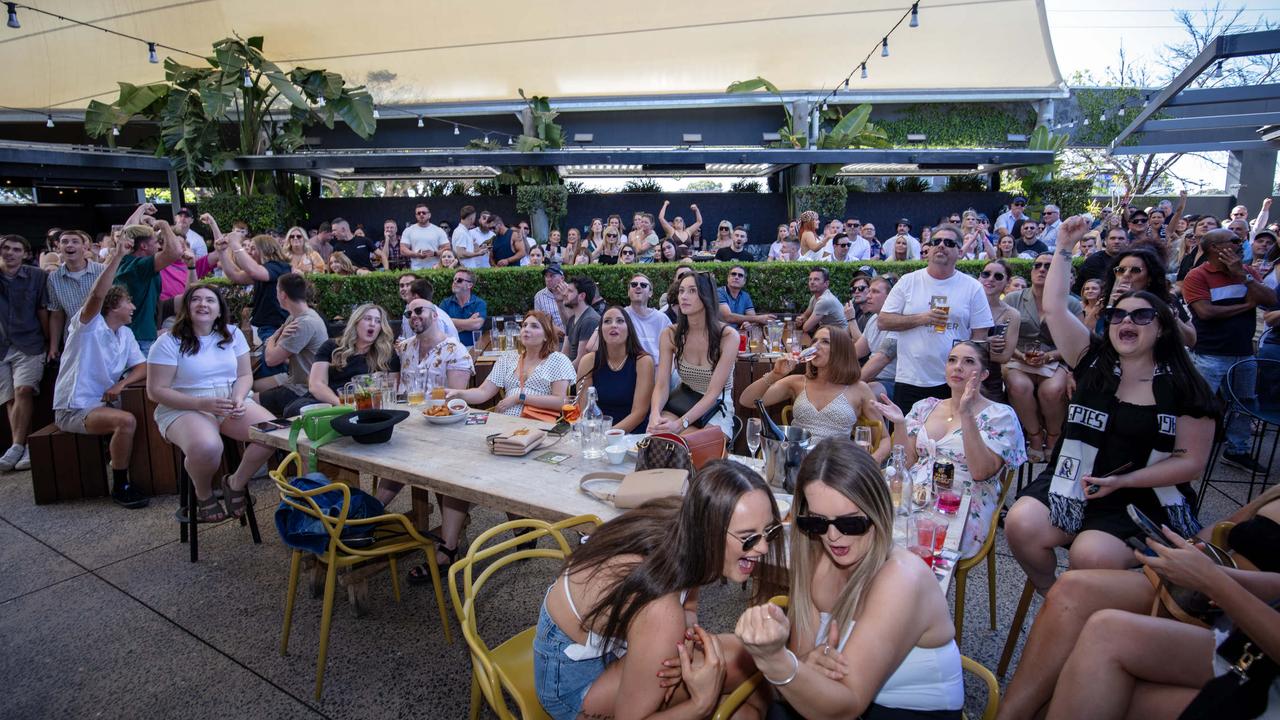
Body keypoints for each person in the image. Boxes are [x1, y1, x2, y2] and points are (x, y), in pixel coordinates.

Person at [1005, 216, 1220, 593]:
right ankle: (1053, 596)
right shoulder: (1091, 360)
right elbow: (1055, 309)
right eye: (1119, 314)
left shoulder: (1186, 386)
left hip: (1141, 494)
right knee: (1020, 524)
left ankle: (1090, 607)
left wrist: (1122, 480)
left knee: (1091, 555)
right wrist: (1063, 247)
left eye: (1141, 316)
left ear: (1162, 327)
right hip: (1074, 478)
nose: (1127, 321)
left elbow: (1191, 462)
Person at [997, 487, 1280, 719]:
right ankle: (1009, 714)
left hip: (1246, 636)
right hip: (1218, 595)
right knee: (1073, 587)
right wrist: (1192, 556)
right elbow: (1225, 530)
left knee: (1092, 667)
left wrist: (1214, 581)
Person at [734, 439, 964, 719]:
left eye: (850, 523)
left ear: (878, 512)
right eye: (817, 522)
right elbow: (803, 660)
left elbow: (847, 705)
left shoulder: (902, 578)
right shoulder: (816, 558)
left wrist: (774, 660)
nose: (832, 536)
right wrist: (806, 663)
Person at [536, 462, 782, 720]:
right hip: (571, 683)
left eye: (770, 531)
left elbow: (688, 607)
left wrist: (681, 645)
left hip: (610, 642)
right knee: (744, 695)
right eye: (749, 537)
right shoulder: (661, 611)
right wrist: (701, 702)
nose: (764, 548)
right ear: (709, 533)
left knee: (752, 668)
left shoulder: (688, 526)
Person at [1042, 529, 1280, 720]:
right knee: (1103, 629)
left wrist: (1213, 581)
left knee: (1098, 691)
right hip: (1248, 646)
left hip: (1260, 671)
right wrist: (1213, 573)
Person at [874, 342, 1027, 558]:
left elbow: (980, 472)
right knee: (868, 527)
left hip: (963, 502)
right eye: (952, 360)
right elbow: (907, 462)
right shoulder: (925, 406)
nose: (957, 367)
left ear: (983, 374)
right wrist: (900, 424)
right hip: (915, 496)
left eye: (968, 361)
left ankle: (917, 587)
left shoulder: (1000, 416)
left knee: (914, 544)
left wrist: (966, 414)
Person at [145, 284, 278, 522]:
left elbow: (245, 376)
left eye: (210, 300)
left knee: (272, 434)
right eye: (196, 299)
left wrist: (238, 397)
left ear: (219, 310)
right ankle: (203, 494)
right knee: (208, 447)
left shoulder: (233, 334)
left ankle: (235, 483)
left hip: (229, 400)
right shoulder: (168, 342)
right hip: (184, 406)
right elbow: (156, 391)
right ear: (186, 307)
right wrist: (202, 404)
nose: (203, 304)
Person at [51, 233, 148, 507]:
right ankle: (121, 485)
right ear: (113, 306)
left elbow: (142, 366)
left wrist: (121, 385)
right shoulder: (88, 326)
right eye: (128, 302)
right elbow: (97, 293)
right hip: (74, 408)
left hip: (103, 402)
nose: (134, 307)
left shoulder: (125, 334)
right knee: (126, 420)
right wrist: (117, 255)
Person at [1182, 228, 1277, 473]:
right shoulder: (1197, 276)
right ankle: (1186, 450)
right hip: (1209, 353)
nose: (1240, 244)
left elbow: (1270, 301)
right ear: (1215, 247)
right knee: (1200, 403)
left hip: (1243, 352)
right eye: (1234, 241)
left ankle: (1237, 450)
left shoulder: (1247, 273)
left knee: (1244, 402)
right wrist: (1247, 305)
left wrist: (1243, 278)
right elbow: (1205, 313)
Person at [878, 224, 994, 411]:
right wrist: (923, 318)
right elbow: (883, 321)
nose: (941, 245)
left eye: (949, 243)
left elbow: (979, 339)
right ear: (928, 249)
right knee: (906, 438)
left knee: (951, 438)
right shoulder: (908, 281)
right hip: (910, 379)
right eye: (936, 242)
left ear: (959, 251)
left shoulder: (972, 287)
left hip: (954, 381)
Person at [740, 326, 889, 459]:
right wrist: (775, 374)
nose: (816, 346)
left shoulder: (859, 389)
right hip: (796, 460)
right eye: (814, 341)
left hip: (835, 466)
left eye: (825, 342)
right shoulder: (797, 382)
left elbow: (884, 439)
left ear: (841, 350)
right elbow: (746, 401)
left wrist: (872, 463)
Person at [1003, 253, 1083, 460]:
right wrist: (1020, 355)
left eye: (1048, 266)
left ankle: (1054, 436)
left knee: (1053, 390)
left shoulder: (1072, 303)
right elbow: (1003, 336)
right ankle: (1035, 435)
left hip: (1057, 358)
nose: (1041, 269)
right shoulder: (1013, 299)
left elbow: (1079, 342)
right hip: (1018, 357)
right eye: (1037, 265)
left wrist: (1050, 356)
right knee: (1019, 386)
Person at [649, 272, 738, 439]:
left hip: (717, 405)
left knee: (688, 445)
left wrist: (680, 424)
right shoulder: (670, 334)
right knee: (659, 439)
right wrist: (654, 414)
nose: (683, 296)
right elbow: (661, 384)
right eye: (681, 291)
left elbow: (712, 393)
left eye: (692, 291)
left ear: (706, 297)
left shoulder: (728, 336)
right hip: (683, 399)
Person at [447, 310, 574, 417]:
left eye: (534, 326)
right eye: (524, 325)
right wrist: (458, 393)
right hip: (505, 423)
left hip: (538, 424)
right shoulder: (508, 358)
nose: (526, 329)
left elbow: (561, 401)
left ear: (546, 336)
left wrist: (520, 397)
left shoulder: (558, 360)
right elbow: (483, 392)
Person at [291, 303, 400, 418]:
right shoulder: (332, 346)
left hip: (365, 407)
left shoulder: (387, 354)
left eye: (378, 321)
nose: (373, 324)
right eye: (367, 319)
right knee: (298, 409)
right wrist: (342, 406)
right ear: (356, 322)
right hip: (327, 402)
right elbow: (316, 385)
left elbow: (390, 391)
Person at [0, 236, 46, 473]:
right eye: (6, 248)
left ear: (25, 254)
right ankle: (22, 445)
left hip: (29, 341)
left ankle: (17, 445)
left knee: (23, 390)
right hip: (1, 346)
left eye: (16, 249)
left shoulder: (36, 276)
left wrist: (51, 343)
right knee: (10, 397)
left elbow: (43, 310)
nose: (10, 253)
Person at [256, 273, 330, 417]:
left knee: (248, 401)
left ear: (283, 295)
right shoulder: (298, 316)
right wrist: (277, 338)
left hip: (302, 389)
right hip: (295, 378)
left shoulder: (303, 323)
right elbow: (282, 353)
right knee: (253, 385)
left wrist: (273, 338)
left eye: (276, 291)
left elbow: (271, 359)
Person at [576, 307, 655, 432]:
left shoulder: (643, 361)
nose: (613, 325)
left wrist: (609, 434)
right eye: (607, 321)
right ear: (600, 331)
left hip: (632, 435)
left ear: (629, 329)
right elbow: (584, 409)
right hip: (596, 432)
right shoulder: (588, 361)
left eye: (620, 321)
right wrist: (597, 433)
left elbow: (639, 413)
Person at [1098, 248, 1196, 345]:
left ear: (1150, 277)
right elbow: (1093, 335)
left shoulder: (1166, 300)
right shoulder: (1107, 301)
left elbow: (1190, 340)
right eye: (1120, 270)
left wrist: (1166, 313)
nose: (1126, 275)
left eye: (1135, 270)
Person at [114, 220, 184, 355]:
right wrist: (164, 225)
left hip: (136, 334)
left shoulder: (125, 262)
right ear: (144, 246)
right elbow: (175, 251)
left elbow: (128, 229)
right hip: (139, 339)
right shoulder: (138, 266)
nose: (159, 246)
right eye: (156, 242)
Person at [45, 229, 106, 362]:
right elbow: (57, 314)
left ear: (85, 247)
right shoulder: (54, 278)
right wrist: (53, 346)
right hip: (73, 339)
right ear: (58, 247)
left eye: (75, 241)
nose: (69, 245)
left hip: (102, 336)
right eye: (64, 242)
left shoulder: (102, 271)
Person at [976, 259, 1020, 403]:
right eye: (986, 274)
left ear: (1007, 282)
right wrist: (986, 343)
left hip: (990, 378)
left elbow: (1004, 357)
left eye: (998, 276)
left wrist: (970, 343)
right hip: (959, 373)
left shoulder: (1012, 314)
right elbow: (950, 345)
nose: (990, 279)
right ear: (979, 276)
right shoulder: (964, 306)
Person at [856, 277, 901, 401]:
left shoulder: (899, 321)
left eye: (875, 292)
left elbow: (882, 359)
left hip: (892, 382)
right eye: (869, 291)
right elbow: (855, 351)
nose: (868, 296)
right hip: (872, 379)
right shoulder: (874, 319)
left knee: (865, 393)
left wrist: (850, 385)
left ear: (891, 296)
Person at [622, 273, 672, 365]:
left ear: (650, 293)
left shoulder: (662, 320)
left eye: (643, 285)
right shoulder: (620, 317)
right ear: (628, 292)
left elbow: (672, 352)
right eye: (634, 284)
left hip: (658, 372)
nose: (638, 287)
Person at [1074, 226, 1130, 294]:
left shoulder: (1132, 260)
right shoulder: (1093, 261)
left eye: (1121, 238)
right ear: (1105, 241)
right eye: (1112, 238)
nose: (1116, 241)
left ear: (1127, 241)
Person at [439, 268, 487, 348]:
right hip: (450, 348)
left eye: (459, 280)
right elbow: (441, 325)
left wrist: (450, 323)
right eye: (454, 279)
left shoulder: (479, 303)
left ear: (470, 285)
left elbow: (476, 324)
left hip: (473, 347)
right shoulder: (445, 303)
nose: (455, 282)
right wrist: (469, 321)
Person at [717, 265, 774, 329]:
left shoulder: (745, 296)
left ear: (744, 282)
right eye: (733, 274)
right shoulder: (719, 292)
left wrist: (747, 324)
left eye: (740, 275)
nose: (736, 277)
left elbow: (752, 317)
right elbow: (727, 317)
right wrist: (759, 318)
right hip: (720, 334)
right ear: (728, 278)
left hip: (739, 334)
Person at [558, 276, 600, 363]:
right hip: (568, 370)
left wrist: (559, 375)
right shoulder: (572, 319)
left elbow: (581, 360)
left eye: (570, 291)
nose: (565, 293)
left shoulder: (590, 321)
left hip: (579, 374)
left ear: (582, 296)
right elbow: (564, 353)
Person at [798, 267, 848, 336]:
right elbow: (806, 315)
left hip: (840, 338)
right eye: (810, 279)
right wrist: (801, 318)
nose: (812, 282)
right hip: (829, 334)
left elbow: (806, 328)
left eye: (816, 279)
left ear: (826, 284)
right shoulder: (815, 297)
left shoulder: (825, 300)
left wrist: (803, 321)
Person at [400, 203, 450, 270]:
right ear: (416, 216)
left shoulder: (438, 230)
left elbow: (447, 248)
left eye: (424, 213)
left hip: (435, 268)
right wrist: (416, 254)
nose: (421, 214)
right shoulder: (408, 230)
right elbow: (403, 250)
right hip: (416, 269)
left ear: (429, 215)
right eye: (419, 213)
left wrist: (434, 253)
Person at [533, 265, 565, 331]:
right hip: (551, 336)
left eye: (552, 276)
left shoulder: (571, 292)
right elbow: (539, 321)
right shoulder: (539, 296)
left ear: (562, 278)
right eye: (546, 276)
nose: (548, 279)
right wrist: (557, 331)